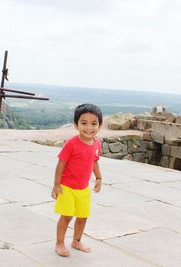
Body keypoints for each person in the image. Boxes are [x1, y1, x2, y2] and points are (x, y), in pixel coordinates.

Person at [51, 103, 103, 257]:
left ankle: (76, 240)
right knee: (66, 216)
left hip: (83, 189)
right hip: (67, 187)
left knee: (82, 216)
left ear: (99, 125)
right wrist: (56, 184)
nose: (89, 127)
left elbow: (94, 161)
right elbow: (61, 163)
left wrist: (99, 177)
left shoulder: (97, 144)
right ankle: (59, 243)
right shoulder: (72, 143)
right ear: (76, 125)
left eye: (94, 124)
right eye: (84, 123)